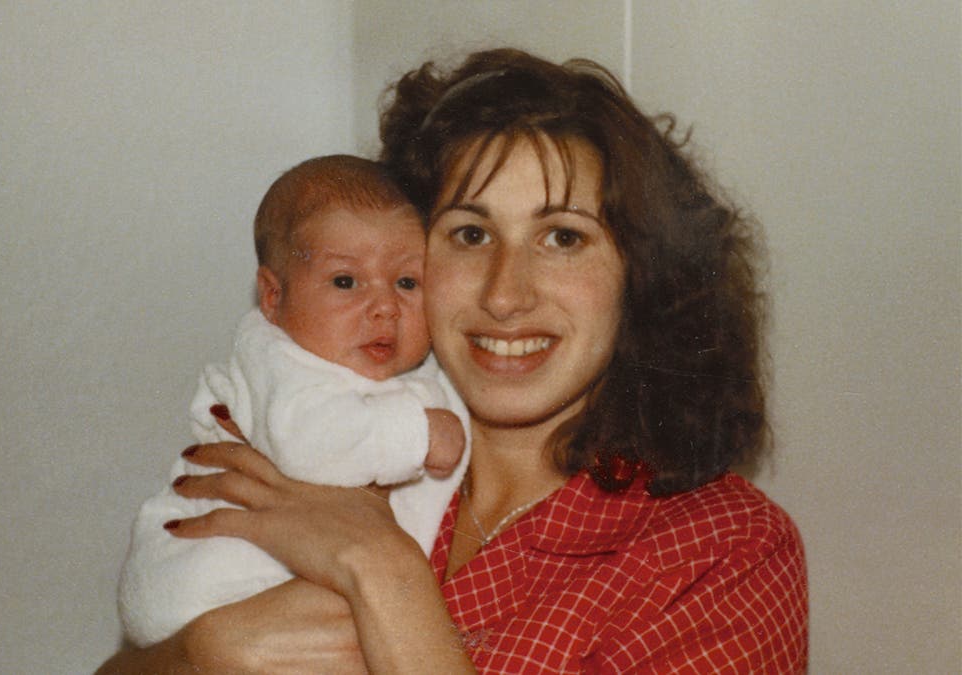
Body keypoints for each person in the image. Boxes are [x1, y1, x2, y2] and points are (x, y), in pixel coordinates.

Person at [98, 48, 808, 674]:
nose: (505, 293)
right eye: (470, 232)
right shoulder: (328, 428)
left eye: (562, 237)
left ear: (642, 276)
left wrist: (383, 570)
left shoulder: (724, 550)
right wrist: (195, 656)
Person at [116, 155, 468, 647]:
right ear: (272, 297)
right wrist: (421, 433)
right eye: (345, 281)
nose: (385, 306)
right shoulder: (276, 357)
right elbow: (308, 446)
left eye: (407, 282)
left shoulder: (410, 370)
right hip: (200, 574)